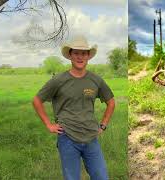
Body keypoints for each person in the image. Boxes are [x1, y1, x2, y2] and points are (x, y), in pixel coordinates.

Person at [32, 35, 115, 180]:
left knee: (101, 177)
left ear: (88, 56)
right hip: (67, 137)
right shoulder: (58, 80)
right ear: (70, 55)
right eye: (76, 53)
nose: (80, 57)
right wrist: (49, 125)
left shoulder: (95, 80)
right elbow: (37, 100)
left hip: (91, 137)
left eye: (83, 53)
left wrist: (103, 126)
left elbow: (111, 102)